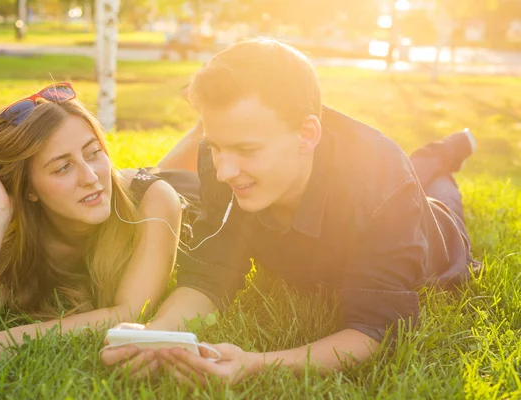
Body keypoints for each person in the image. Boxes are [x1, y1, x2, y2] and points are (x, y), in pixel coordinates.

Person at [100, 38, 481, 384]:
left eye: (247, 150)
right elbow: (208, 276)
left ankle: (445, 152)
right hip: (370, 193)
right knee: (412, 172)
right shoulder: (222, 159)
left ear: (307, 134)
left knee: (438, 190)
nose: (223, 171)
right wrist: (160, 333)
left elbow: (374, 329)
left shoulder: (383, 185)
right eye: (216, 146)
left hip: (437, 235)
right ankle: (436, 155)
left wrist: (255, 363)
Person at [0, 82, 195, 375]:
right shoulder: (29, 235)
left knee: (176, 170)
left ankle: (205, 125)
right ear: (29, 189)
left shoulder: (155, 200)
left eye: (94, 152)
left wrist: (8, 341)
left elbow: (131, 312)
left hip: (191, 197)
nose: (89, 176)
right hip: (131, 187)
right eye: (63, 167)